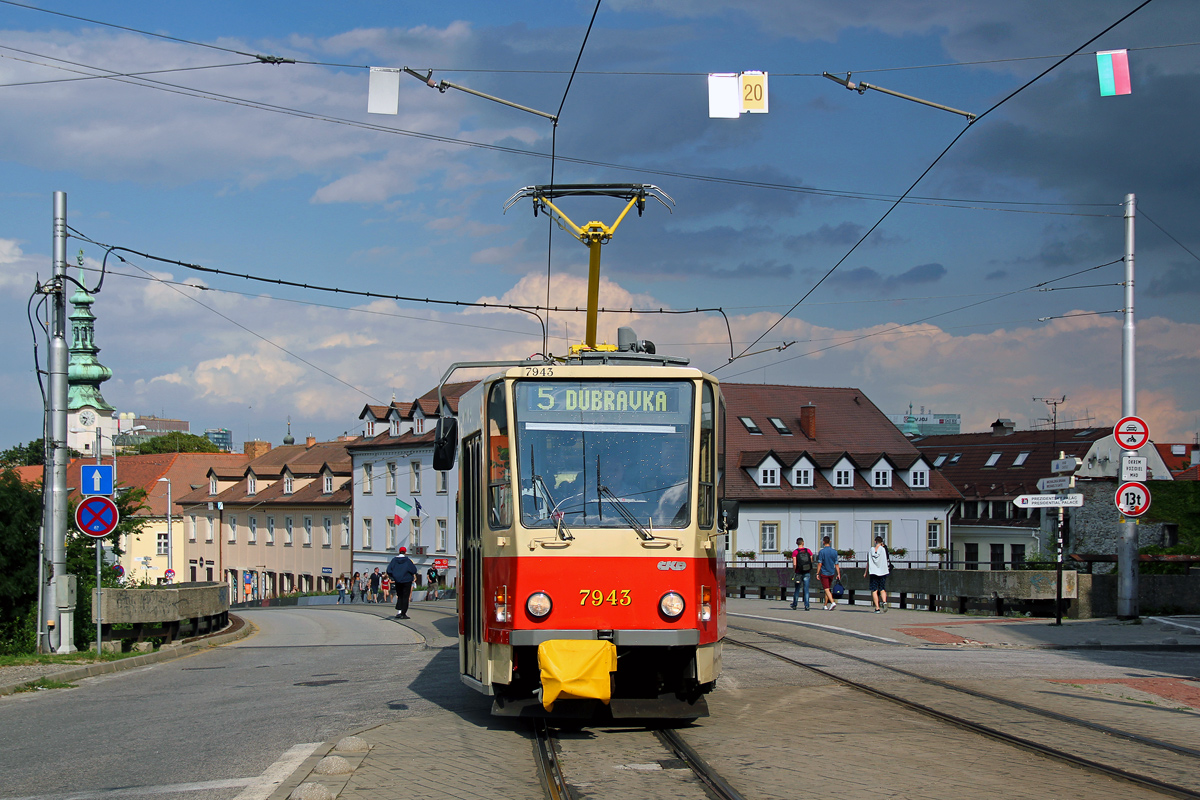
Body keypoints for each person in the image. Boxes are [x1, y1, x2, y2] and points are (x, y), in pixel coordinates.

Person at [386, 546, 418, 619]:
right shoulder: (407, 561)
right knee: (405, 596)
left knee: (400, 595)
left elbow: (389, 570)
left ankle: (399, 611)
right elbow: (414, 570)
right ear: (405, 552)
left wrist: (395, 576)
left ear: (399, 552)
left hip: (398, 581)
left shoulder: (394, 560)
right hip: (407, 580)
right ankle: (403, 613)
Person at [865, 535, 891, 613]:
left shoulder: (871, 550)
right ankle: (884, 602)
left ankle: (877, 608)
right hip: (882, 572)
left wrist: (866, 572)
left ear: (875, 541)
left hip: (873, 572)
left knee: (874, 590)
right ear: (882, 542)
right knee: (882, 589)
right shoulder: (883, 550)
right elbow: (887, 558)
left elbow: (868, 561)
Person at [816, 535, 841, 611]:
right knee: (828, 589)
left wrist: (817, 573)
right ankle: (825, 605)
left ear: (823, 542)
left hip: (824, 572)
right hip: (832, 572)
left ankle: (832, 602)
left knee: (826, 589)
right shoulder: (834, 552)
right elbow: (836, 563)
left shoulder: (822, 552)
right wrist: (838, 573)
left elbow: (820, 563)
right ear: (830, 541)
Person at [790, 537, 815, 610]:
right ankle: (807, 605)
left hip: (798, 572)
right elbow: (811, 560)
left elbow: (794, 564)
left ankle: (795, 604)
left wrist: (795, 570)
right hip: (807, 572)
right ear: (803, 543)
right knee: (806, 589)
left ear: (797, 543)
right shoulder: (808, 550)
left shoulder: (795, 552)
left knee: (797, 589)